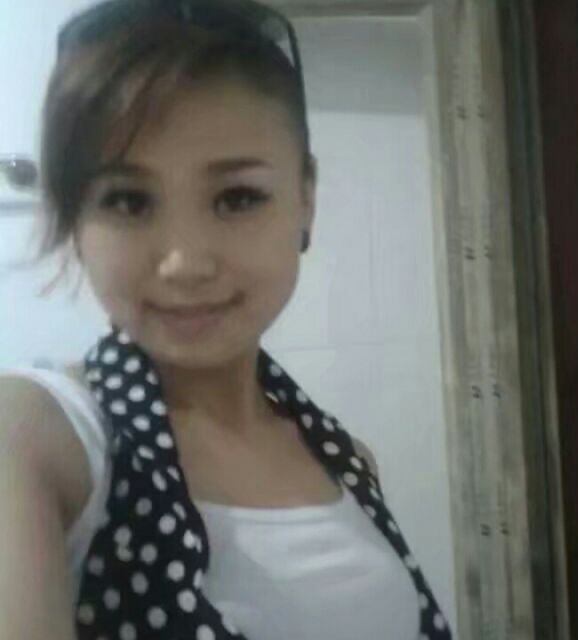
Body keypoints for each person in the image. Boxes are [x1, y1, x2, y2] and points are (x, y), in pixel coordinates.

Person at [0, 1, 452, 639]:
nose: (185, 263)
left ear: (305, 200)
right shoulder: (39, 440)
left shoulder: (351, 463)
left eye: (237, 197)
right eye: (127, 200)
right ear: (76, 219)